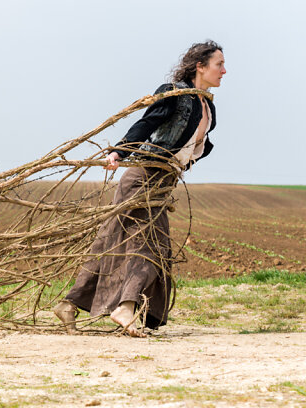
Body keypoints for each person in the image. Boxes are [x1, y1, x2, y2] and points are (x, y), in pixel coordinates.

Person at [54, 41, 226, 337]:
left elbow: (201, 144)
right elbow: (148, 122)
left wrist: (185, 162)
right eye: (218, 64)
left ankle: (69, 304)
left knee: (110, 241)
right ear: (200, 66)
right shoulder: (174, 93)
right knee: (152, 246)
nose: (224, 70)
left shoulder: (207, 104)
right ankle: (126, 307)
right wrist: (119, 152)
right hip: (142, 176)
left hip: (162, 181)